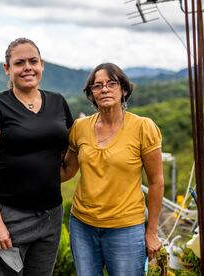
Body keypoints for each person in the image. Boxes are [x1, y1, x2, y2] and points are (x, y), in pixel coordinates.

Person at [0, 37, 74, 275]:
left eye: (33, 61)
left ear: (42, 65)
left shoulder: (58, 102)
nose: (28, 67)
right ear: (7, 69)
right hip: (10, 217)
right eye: (20, 63)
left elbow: (69, 155)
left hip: (50, 215)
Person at [61, 62, 164, 275]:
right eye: (97, 86)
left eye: (112, 83)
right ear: (91, 94)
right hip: (82, 225)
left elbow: (156, 181)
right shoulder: (79, 128)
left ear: (124, 90)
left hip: (125, 227)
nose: (104, 89)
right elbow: (67, 170)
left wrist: (152, 232)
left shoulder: (143, 127)